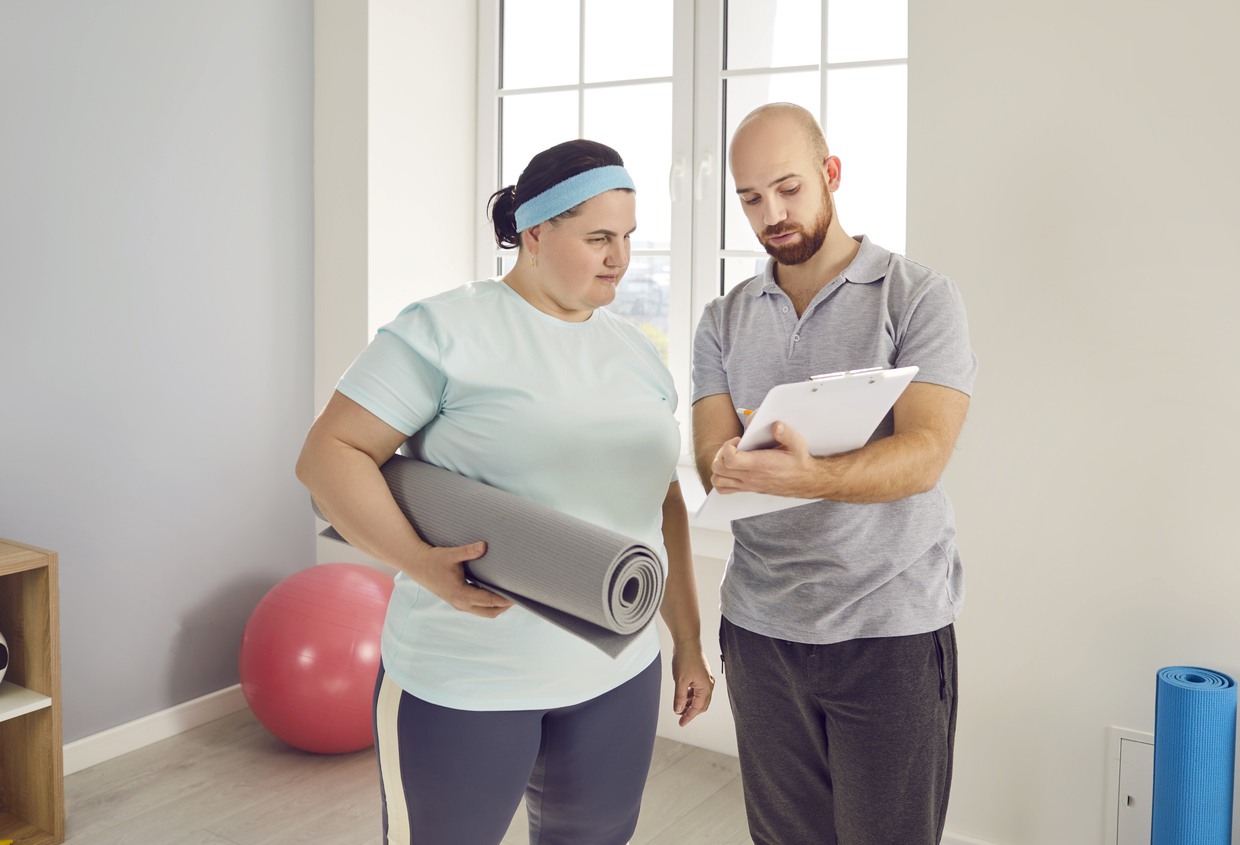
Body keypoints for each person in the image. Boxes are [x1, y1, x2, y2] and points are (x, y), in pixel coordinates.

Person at [296, 139, 714, 845]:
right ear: (536, 232)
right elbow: (328, 457)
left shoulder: (638, 353)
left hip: (616, 674)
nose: (620, 257)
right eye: (599, 238)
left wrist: (690, 641)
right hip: (466, 676)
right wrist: (421, 560)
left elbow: (660, 500)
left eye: (628, 238)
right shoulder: (444, 329)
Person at [691, 103, 977, 845]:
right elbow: (711, 456)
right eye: (750, 198)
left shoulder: (918, 296)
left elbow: (925, 454)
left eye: (787, 188)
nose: (771, 214)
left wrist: (809, 475)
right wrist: (727, 463)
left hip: (890, 632)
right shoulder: (721, 320)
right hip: (759, 632)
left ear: (831, 174)